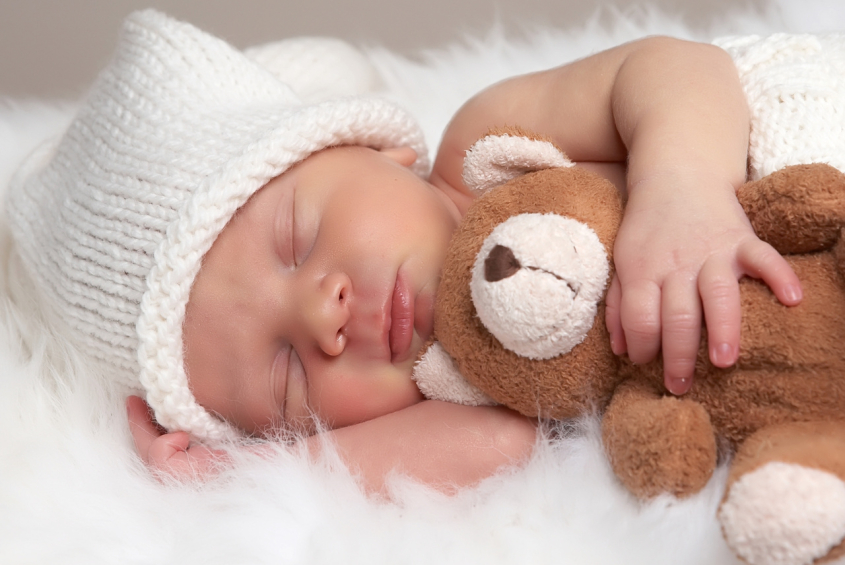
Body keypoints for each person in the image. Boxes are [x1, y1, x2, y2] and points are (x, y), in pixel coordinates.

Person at [6, 10, 805, 494]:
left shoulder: (484, 147)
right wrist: (233, 477)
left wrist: (682, 190)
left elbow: (674, 68)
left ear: (372, 149)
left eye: (296, 239)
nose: (323, 314)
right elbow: (504, 449)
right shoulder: (458, 389)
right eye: (287, 371)